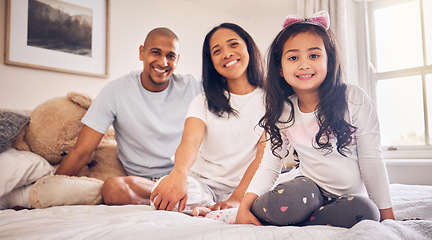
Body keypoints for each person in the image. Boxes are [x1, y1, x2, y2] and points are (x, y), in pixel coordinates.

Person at [235, 11, 395, 228]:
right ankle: (290, 213)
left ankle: (307, 220)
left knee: (366, 212)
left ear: (329, 60)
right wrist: (244, 207)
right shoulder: (284, 110)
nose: (304, 64)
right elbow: (270, 165)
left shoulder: (353, 99)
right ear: (280, 69)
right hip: (308, 190)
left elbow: (372, 159)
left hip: (346, 199)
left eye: (314, 55)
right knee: (293, 197)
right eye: (293, 57)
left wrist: (387, 217)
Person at [55, 27, 202, 205]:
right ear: (142, 53)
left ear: (177, 60)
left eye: (170, 56)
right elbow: (81, 151)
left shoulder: (193, 86)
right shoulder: (115, 91)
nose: (163, 62)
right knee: (112, 189)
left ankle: (181, 198)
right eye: (155, 52)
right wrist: (48, 190)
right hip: (144, 183)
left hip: (186, 178)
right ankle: (175, 200)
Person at [150, 22, 266, 214]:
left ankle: (224, 208)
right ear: (211, 61)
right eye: (217, 51)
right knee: (161, 194)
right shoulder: (203, 100)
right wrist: (179, 173)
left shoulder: (271, 102)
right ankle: (211, 207)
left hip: (247, 187)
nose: (227, 54)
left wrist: (237, 198)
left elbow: (263, 156)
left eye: (233, 44)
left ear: (248, 47)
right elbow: (190, 141)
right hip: (204, 185)